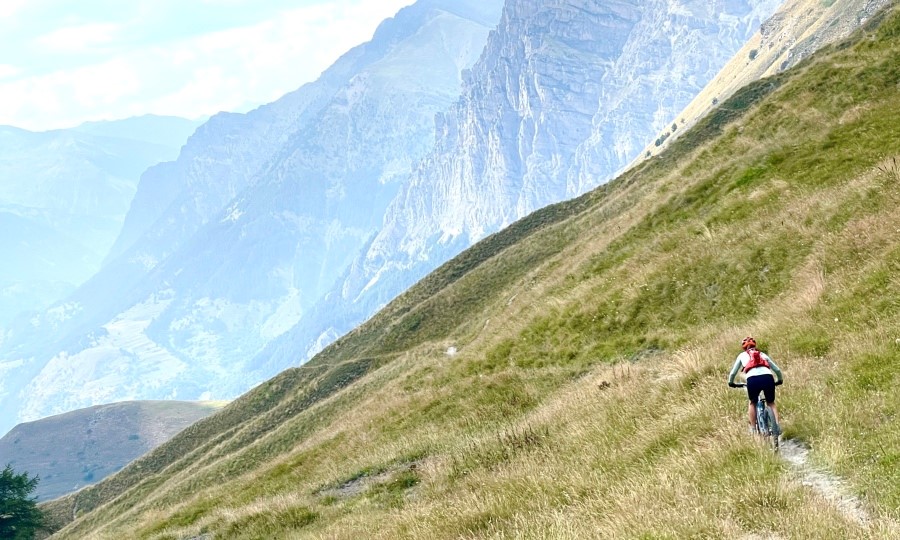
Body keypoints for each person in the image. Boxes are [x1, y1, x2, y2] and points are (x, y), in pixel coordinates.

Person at [727, 336, 784, 434]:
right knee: (771, 402)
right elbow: (777, 370)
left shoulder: (742, 355)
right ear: (755, 345)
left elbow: (733, 373)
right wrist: (780, 380)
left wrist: (731, 382)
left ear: (744, 348)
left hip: (752, 379)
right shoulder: (762, 354)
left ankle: (753, 429)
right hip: (768, 377)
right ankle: (777, 426)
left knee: (752, 402)